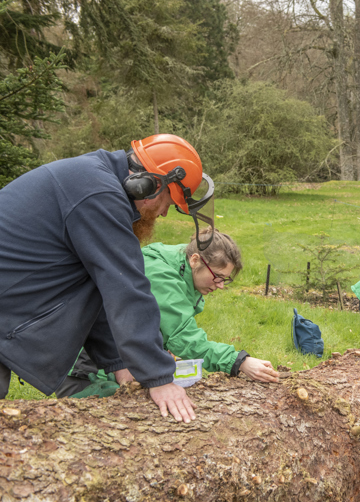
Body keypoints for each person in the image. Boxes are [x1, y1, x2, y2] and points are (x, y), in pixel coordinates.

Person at [0, 134, 215, 423]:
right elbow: (127, 289)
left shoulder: (96, 180)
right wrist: (159, 377)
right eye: (169, 201)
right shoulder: (98, 195)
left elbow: (97, 289)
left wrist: (120, 363)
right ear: (150, 185)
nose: (164, 213)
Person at [58, 230, 281, 397]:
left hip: (119, 357)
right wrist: (239, 361)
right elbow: (182, 336)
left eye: (226, 279)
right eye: (218, 276)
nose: (221, 285)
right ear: (195, 260)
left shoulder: (181, 267)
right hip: (87, 366)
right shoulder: (162, 274)